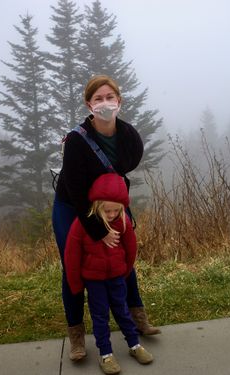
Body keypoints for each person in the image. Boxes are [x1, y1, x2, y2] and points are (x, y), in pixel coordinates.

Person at [52, 75, 160, 362]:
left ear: (119, 102)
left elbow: (123, 170)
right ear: (89, 104)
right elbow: (76, 192)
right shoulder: (76, 141)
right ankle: (76, 334)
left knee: (122, 255)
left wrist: (116, 211)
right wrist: (99, 230)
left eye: (109, 97)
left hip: (110, 204)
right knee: (72, 263)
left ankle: (138, 317)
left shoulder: (129, 138)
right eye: (98, 99)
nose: (105, 103)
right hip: (71, 205)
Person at [64, 173, 154, 374]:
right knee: (100, 316)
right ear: (96, 205)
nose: (112, 214)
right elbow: (71, 254)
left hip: (116, 278)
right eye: (107, 210)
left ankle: (134, 345)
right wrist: (76, 283)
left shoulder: (123, 221)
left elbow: (131, 249)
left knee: (122, 311)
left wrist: (125, 270)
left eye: (116, 210)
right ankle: (106, 354)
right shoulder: (83, 223)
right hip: (94, 281)